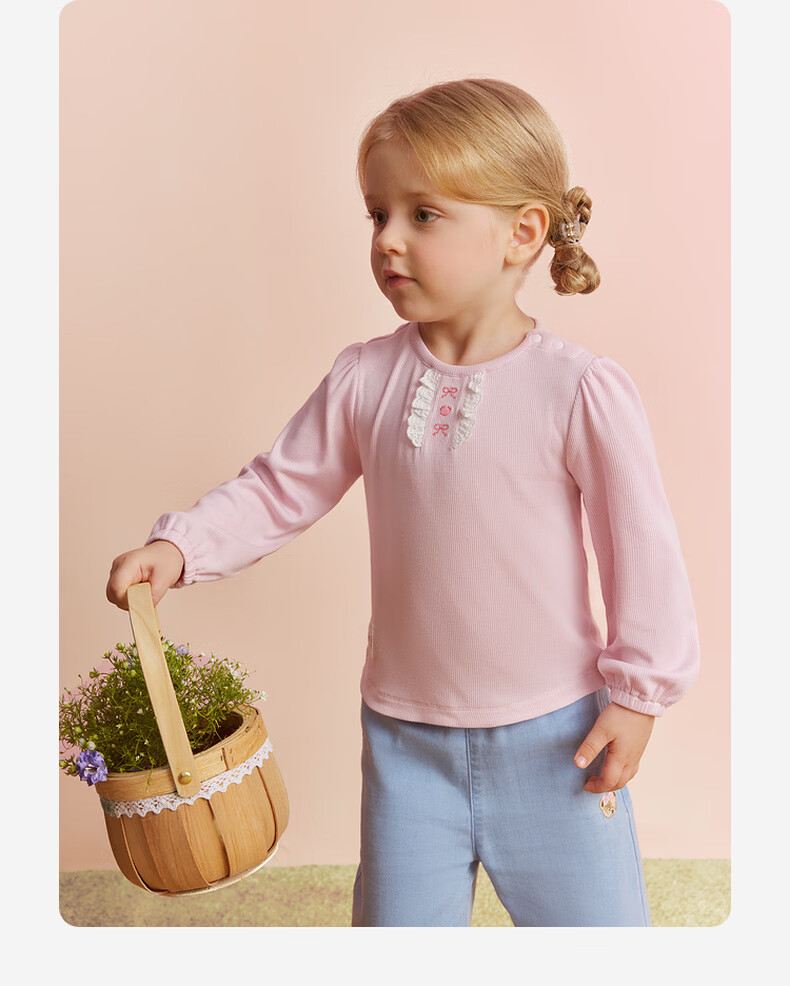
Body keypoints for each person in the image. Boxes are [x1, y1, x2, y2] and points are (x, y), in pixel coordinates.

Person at [106, 77, 701, 927]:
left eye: (423, 215)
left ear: (523, 233)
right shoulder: (366, 378)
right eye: (377, 214)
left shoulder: (578, 390)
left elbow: (641, 548)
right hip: (404, 744)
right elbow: (280, 485)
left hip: (558, 741)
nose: (387, 238)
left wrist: (639, 696)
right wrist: (182, 548)